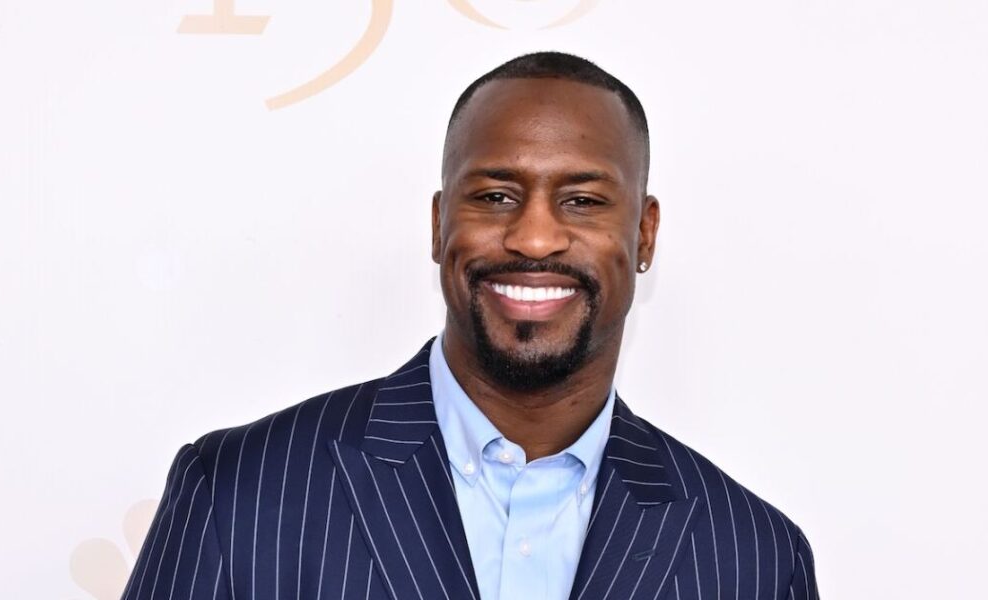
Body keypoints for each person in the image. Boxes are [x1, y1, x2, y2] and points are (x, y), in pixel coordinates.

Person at [122, 52, 819, 600]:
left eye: (582, 200)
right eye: (496, 196)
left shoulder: (754, 557)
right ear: (439, 225)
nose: (535, 237)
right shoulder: (241, 493)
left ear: (644, 234)